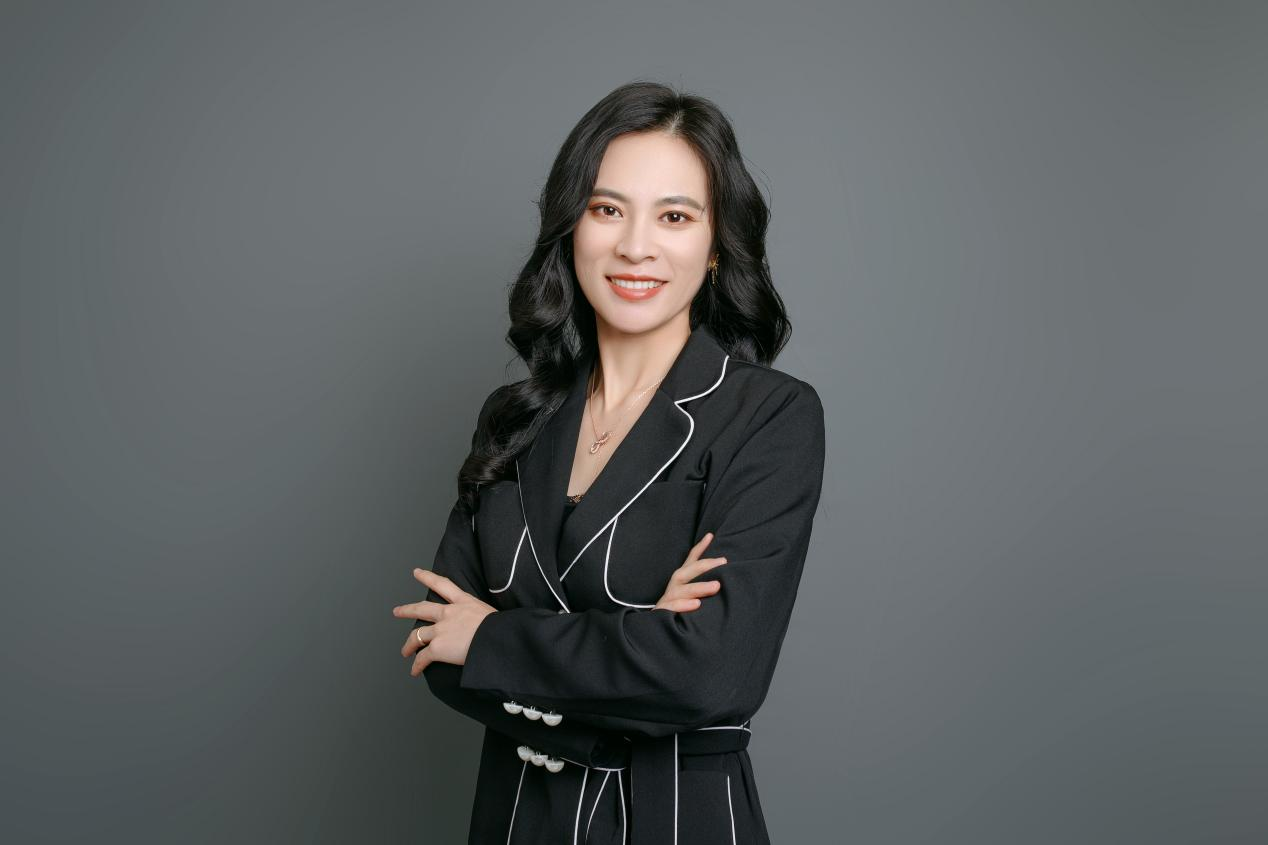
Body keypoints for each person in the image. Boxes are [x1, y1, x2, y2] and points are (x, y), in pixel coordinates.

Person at [392, 80, 826, 844]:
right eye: (607, 209)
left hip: (676, 821)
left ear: (716, 245)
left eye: (674, 216)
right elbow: (438, 646)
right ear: (571, 228)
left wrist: (494, 639)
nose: (635, 246)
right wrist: (642, 636)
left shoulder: (769, 415)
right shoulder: (514, 417)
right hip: (516, 820)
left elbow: (712, 673)